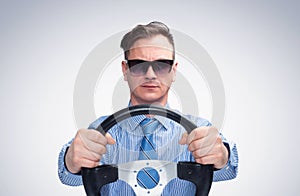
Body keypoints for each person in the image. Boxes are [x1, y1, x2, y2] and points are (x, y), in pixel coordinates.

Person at [58, 21, 238, 195]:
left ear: (173, 71)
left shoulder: (197, 129)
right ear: (125, 70)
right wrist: (71, 160)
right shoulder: (101, 131)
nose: (150, 75)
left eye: (161, 65)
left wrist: (221, 156)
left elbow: (228, 170)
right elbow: (69, 176)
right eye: (138, 65)